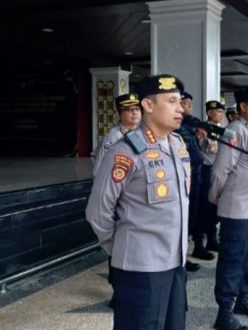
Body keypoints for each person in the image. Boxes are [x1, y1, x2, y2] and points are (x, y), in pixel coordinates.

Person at [86, 74, 189, 330]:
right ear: (149, 105)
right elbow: (97, 211)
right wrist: (123, 248)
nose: (180, 108)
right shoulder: (125, 151)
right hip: (141, 267)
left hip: (176, 261)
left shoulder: (177, 145)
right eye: (172, 101)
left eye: (181, 101)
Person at [209, 86, 248, 330]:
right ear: (243, 106)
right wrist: (217, 199)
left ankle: (243, 298)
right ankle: (224, 311)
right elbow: (219, 171)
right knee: (233, 259)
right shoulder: (234, 132)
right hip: (238, 210)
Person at [177, 92, 215, 262]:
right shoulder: (178, 128)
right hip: (187, 177)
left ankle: (196, 248)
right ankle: (181, 259)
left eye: (190, 104)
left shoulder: (190, 126)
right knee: (184, 220)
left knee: (197, 216)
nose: (189, 107)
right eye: (186, 104)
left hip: (196, 176)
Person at [92, 93, 141, 177]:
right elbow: (98, 170)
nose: (135, 112)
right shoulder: (112, 138)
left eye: (137, 109)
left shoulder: (141, 134)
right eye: (129, 109)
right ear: (119, 114)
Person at [199, 100, 225, 252]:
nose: (221, 115)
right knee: (206, 207)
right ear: (209, 113)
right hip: (206, 170)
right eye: (218, 112)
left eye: (222, 112)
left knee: (216, 206)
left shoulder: (222, 130)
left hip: (219, 170)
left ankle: (212, 239)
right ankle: (202, 242)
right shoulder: (203, 129)